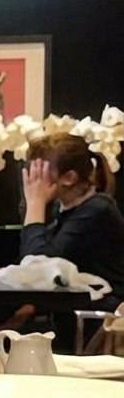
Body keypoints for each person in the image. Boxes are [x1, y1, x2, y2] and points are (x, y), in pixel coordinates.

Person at [21, 132, 124, 310]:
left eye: (41, 170)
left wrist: (35, 204)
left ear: (69, 178)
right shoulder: (60, 209)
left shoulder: (97, 209)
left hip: (103, 316)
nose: (34, 178)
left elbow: (40, 268)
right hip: (74, 309)